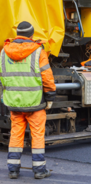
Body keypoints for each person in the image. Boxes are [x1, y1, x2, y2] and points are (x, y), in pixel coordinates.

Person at [0, 21, 56, 179]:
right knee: (37, 135)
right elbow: (47, 77)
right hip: (35, 102)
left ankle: (13, 170)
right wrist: (50, 96)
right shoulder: (38, 51)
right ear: (31, 35)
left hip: (14, 102)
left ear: (17, 34)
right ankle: (39, 170)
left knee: (16, 134)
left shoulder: (4, 51)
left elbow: (2, 77)